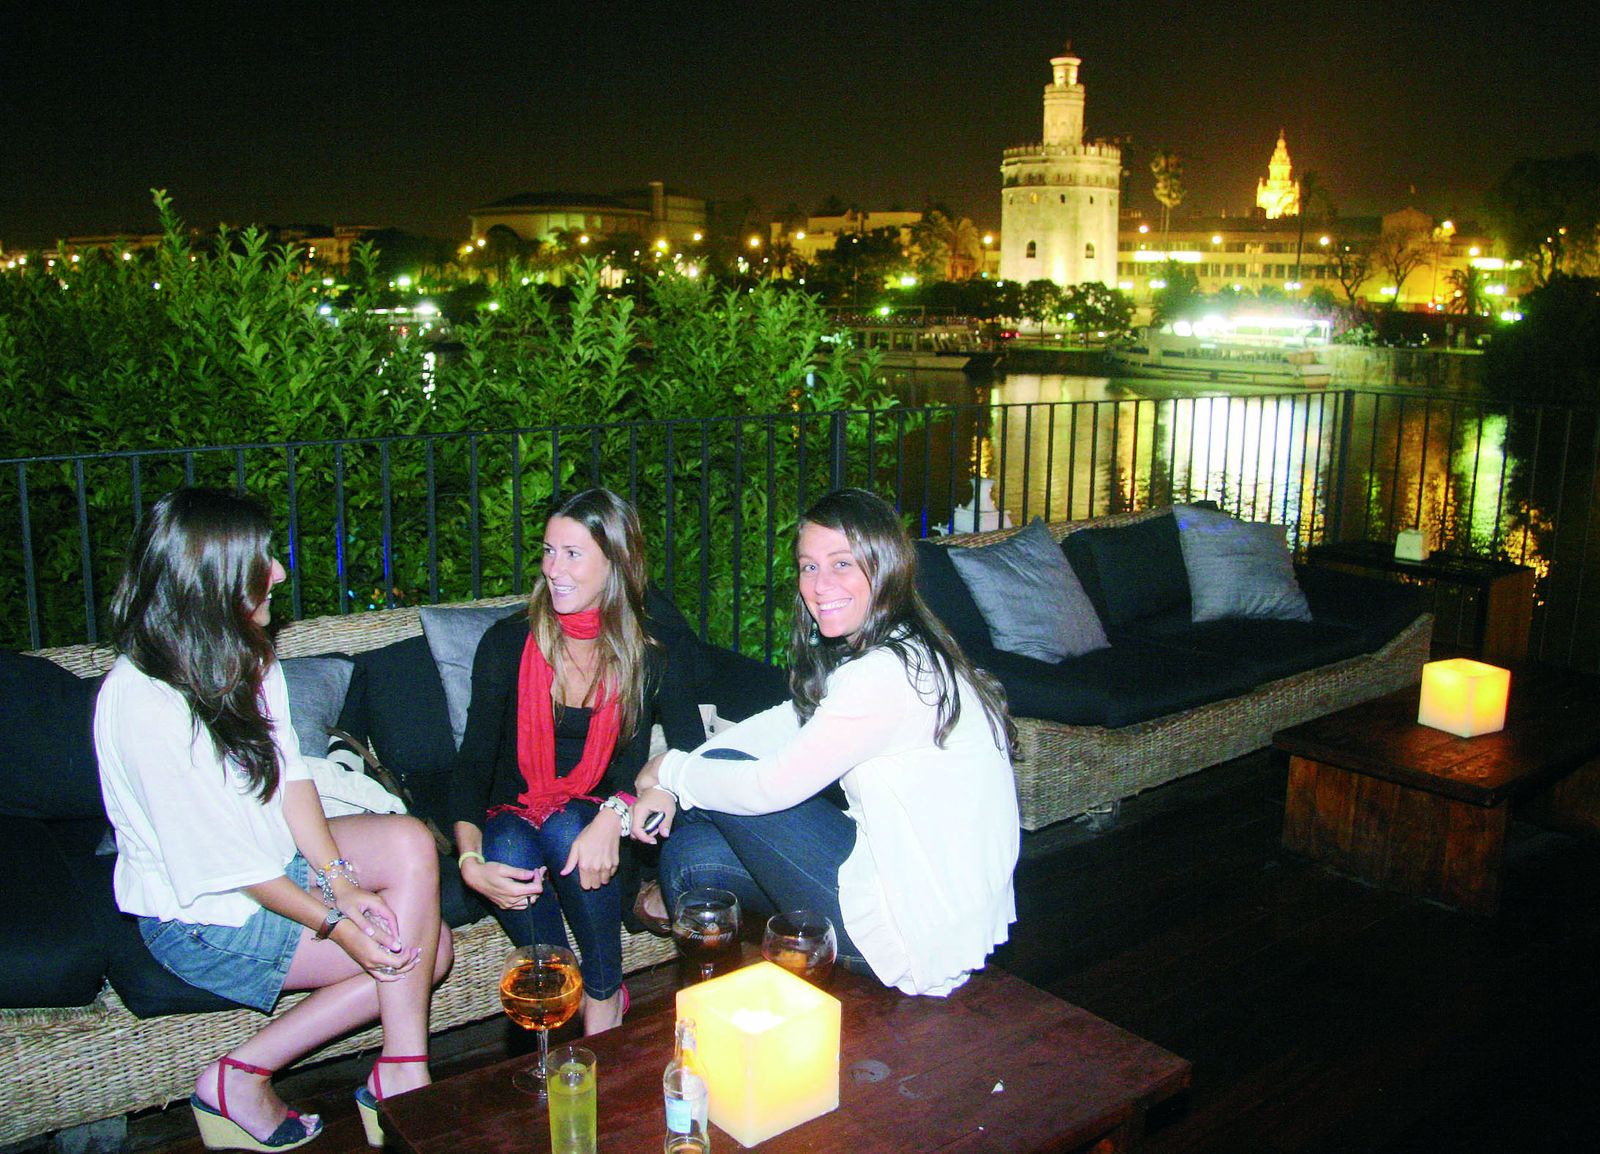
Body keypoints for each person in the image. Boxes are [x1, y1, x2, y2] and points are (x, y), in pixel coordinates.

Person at [94, 488, 452, 1152]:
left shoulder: (246, 653)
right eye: (263, 561)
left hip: (271, 863)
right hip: (205, 915)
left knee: (409, 847)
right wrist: (339, 924)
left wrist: (341, 881)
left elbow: (291, 777)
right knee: (424, 952)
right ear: (214, 579)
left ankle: (400, 1072)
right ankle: (277, 1080)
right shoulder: (140, 701)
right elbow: (230, 867)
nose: (280, 574)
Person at [634, 487, 1020, 996]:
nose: (819, 585)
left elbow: (769, 787)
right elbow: (787, 721)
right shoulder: (901, 643)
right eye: (808, 566)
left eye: (842, 564)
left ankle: (766, 992)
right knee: (689, 856)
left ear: (885, 566)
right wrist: (679, 776)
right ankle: (749, 993)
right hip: (924, 891)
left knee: (719, 794)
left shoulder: (885, 672)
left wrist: (668, 771)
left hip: (912, 923)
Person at [448, 488, 702, 1033]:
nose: (553, 569)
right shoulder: (507, 643)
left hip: (604, 824)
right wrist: (469, 865)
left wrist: (618, 812)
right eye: (548, 551)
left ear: (616, 563)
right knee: (510, 844)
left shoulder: (652, 652)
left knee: (567, 825)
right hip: (510, 815)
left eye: (573, 554)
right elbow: (471, 765)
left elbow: (689, 750)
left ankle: (605, 995)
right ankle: (569, 987)